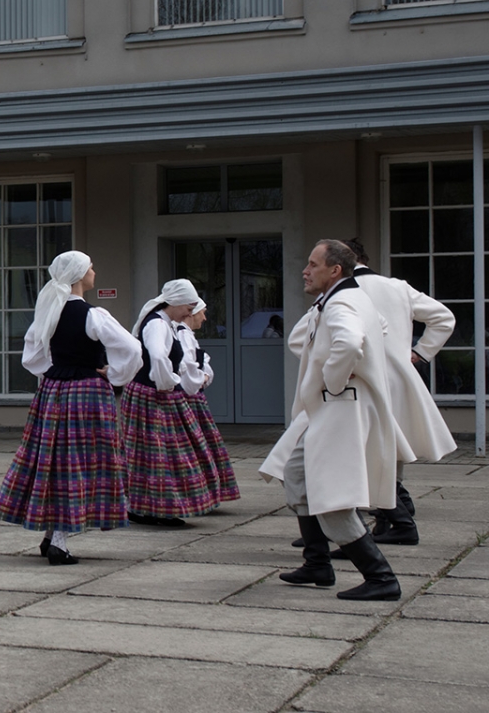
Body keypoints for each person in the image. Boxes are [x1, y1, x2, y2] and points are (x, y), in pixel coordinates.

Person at [259, 239, 404, 601]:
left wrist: (334, 379)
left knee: (332, 496)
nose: (305, 271)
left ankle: (381, 577)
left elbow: (351, 342)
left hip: (339, 409)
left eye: (313, 264)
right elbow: (379, 328)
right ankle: (317, 563)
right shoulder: (347, 298)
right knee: (296, 472)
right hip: (329, 410)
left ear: (335, 270)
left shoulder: (341, 302)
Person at [0, 252, 142, 565]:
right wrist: (114, 374)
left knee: (54, 461)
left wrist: (55, 370)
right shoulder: (92, 314)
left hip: (53, 391)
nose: (94, 272)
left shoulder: (49, 311)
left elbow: (31, 357)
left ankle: (51, 537)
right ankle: (59, 542)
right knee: (77, 463)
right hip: (88, 393)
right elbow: (131, 349)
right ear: (79, 275)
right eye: (91, 268)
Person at [343, 238, 457, 545]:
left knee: (362, 447)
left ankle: (391, 514)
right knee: (391, 445)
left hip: (360, 378)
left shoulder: (342, 291)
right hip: (397, 377)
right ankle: (391, 514)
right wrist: (419, 352)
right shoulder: (397, 287)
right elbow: (444, 317)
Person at [121, 279, 219, 527]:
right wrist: (167, 382)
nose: (190, 313)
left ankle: (149, 508)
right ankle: (152, 510)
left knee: (156, 454)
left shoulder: (166, 324)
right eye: (189, 307)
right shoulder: (157, 324)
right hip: (152, 395)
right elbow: (157, 356)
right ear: (175, 302)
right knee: (157, 454)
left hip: (154, 393)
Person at [177, 301, 240, 505]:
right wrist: (201, 378)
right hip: (190, 397)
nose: (204, 318)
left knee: (204, 446)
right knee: (197, 448)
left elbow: (204, 366)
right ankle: (200, 493)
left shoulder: (187, 334)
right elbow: (189, 369)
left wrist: (204, 374)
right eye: (202, 313)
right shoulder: (182, 334)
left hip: (194, 396)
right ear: (191, 313)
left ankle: (207, 492)